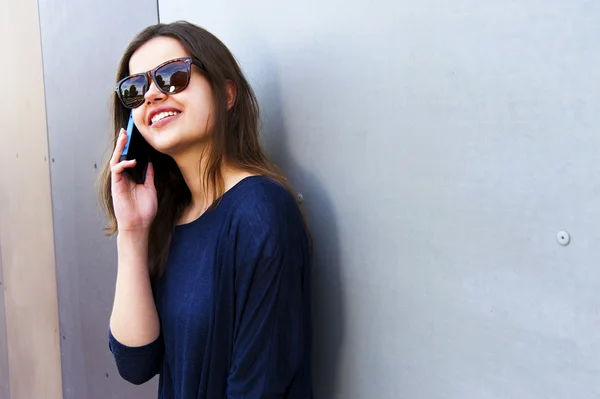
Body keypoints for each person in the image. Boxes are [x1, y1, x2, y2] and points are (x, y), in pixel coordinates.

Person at [98, 20, 312, 398]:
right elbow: (135, 364)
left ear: (226, 93)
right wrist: (132, 234)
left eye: (172, 75)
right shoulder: (171, 219)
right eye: (135, 89)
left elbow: (257, 388)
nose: (151, 95)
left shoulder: (261, 213)